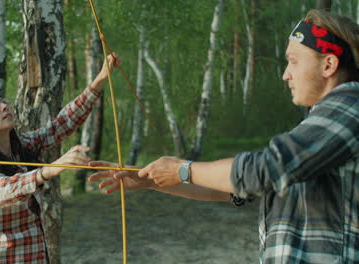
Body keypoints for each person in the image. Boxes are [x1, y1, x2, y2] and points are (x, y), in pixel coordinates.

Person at [89, 10, 359, 264]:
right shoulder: (318, 129)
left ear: (329, 64)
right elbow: (229, 186)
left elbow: (262, 170)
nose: (285, 74)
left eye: (293, 61)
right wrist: (148, 179)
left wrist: (183, 170)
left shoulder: (350, 107)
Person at [0, 54, 119, 263]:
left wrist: (99, 80)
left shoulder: (21, 146)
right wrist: (47, 171)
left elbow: (62, 123)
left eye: (3, 102)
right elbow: (0, 191)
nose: (4, 106)